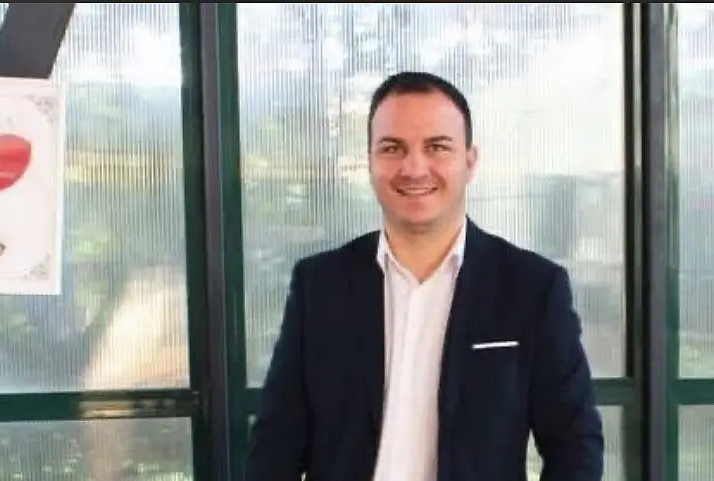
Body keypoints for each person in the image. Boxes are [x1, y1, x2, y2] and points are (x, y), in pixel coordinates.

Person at [244, 71, 604, 481]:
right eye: (392, 148)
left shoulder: (532, 288)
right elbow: (275, 446)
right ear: (370, 161)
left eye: (437, 147)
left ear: (470, 161)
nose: (414, 168)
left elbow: (574, 445)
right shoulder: (320, 286)